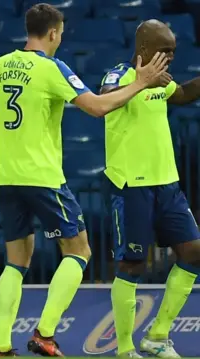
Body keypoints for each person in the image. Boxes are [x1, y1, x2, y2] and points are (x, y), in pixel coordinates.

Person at [0, 3, 168, 357]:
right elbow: (98, 107)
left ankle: (0, 347)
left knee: (16, 260)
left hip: (7, 178)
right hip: (42, 177)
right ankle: (45, 333)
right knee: (79, 249)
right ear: (54, 32)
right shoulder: (51, 67)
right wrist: (142, 82)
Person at [101, 19, 200, 359]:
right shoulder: (118, 75)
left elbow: (183, 94)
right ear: (143, 49)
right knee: (133, 264)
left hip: (167, 185)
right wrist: (143, 82)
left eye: (174, 51)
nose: (170, 57)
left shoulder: (162, 81)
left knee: (194, 252)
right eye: (165, 50)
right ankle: (126, 348)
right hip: (131, 187)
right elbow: (105, 101)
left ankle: (157, 335)